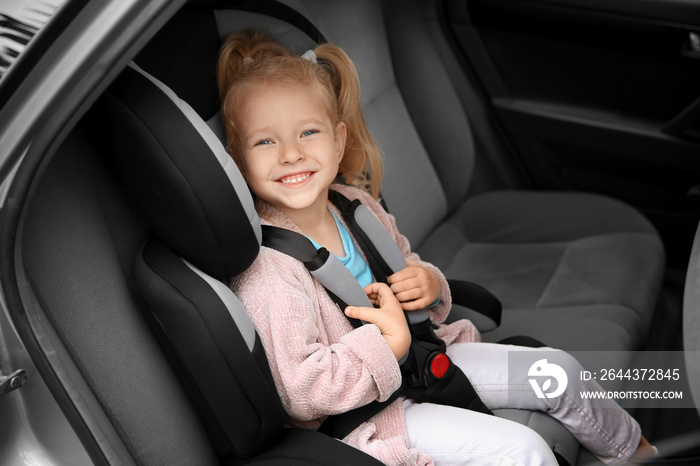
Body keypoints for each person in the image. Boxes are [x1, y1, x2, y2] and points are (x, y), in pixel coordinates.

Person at [218, 30, 656, 465]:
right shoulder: (269, 271)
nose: (291, 154)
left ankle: (636, 455)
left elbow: (408, 263)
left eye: (307, 132)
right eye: (265, 141)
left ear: (337, 141)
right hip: (371, 415)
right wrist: (386, 346)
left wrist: (427, 283)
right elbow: (301, 391)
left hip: (427, 357)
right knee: (525, 452)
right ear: (238, 161)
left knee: (557, 372)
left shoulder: (355, 206)